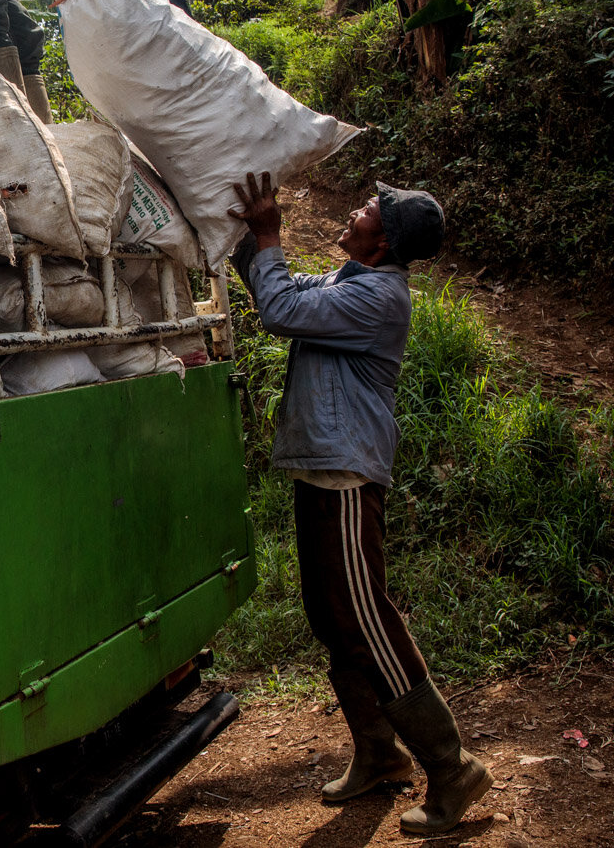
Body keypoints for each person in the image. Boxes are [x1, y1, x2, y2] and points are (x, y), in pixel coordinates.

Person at [229, 172, 492, 836]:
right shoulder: (350, 280)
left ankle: (452, 765)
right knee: (332, 617)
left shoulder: (379, 296)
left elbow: (281, 312)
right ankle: (379, 751)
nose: (355, 210)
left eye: (368, 210)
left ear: (383, 244)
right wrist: (235, 234)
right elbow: (278, 290)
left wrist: (268, 235)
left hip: (345, 478)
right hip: (320, 472)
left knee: (367, 619)